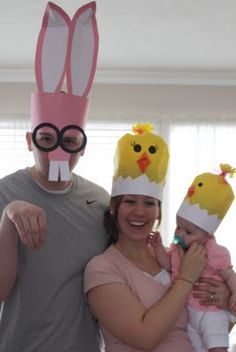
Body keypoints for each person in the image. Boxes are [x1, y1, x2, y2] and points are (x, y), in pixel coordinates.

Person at [0, 2, 110, 351]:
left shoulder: (101, 202)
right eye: (46, 140)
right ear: (30, 140)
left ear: (82, 147)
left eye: (69, 141)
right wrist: (7, 218)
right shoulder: (4, 193)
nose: (56, 152)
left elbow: (124, 277)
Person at [84, 123, 207, 351]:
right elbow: (145, 336)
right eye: (130, 201)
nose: (140, 212)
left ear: (159, 209)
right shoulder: (101, 268)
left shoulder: (173, 258)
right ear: (114, 207)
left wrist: (223, 300)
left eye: (149, 203)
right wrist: (186, 280)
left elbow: (205, 323)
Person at [152, 163, 236, 352]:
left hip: (211, 311)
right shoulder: (175, 249)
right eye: (178, 226)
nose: (180, 233)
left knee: (216, 344)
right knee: (195, 347)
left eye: (188, 231)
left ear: (207, 236)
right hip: (189, 313)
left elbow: (230, 275)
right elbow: (167, 265)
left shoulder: (215, 252)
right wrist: (158, 247)